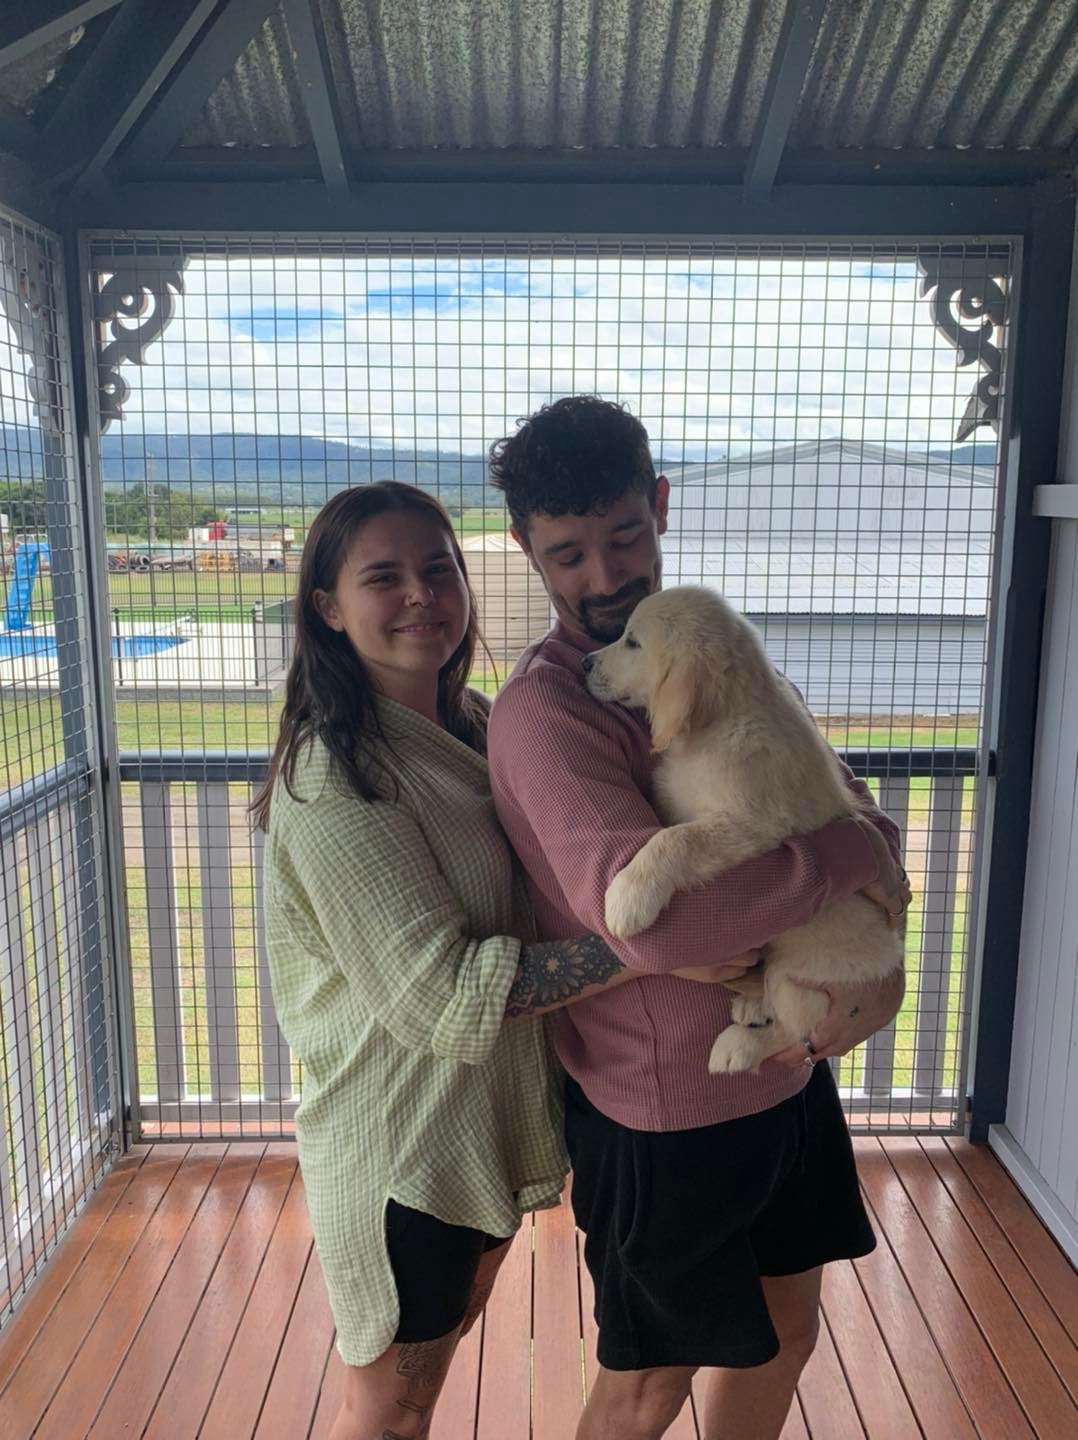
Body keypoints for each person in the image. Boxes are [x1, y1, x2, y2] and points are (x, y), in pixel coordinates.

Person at [254, 480, 751, 1440]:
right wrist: (650, 947)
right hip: (404, 1149)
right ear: (327, 607)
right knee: (391, 1405)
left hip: (477, 1133)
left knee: (416, 1385)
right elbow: (441, 994)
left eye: (439, 569)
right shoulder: (333, 778)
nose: (421, 596)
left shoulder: (474, 725)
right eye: (384, 577)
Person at [486, 397, 911, 1440]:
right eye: (567, 552)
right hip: (663, 1112)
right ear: (525, 550)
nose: (602, 576)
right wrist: (855, 854)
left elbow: (829, 789)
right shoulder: (548, 712)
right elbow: (655, 930)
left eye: (624, 535)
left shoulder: (719, 652)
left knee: (785, 1329)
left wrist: (862, 860)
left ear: (660, 505)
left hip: (778, 1077)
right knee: (648, 1383)